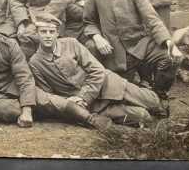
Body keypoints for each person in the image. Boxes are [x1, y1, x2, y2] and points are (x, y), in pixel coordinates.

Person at [83, 0, 182, 116]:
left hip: (140, 45)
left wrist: (169, 43)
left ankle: (159, 94)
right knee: (122, 92)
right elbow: (88, 22)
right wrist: (97, 36)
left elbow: (151, 17)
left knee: (171, 58)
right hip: (114, 51)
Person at [30, 12, 164, 128]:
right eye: (43, 31)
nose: (48, 36)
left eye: (51, 31)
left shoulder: (71, 43)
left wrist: (83, 97)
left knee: (153, 102)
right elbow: (50, 95)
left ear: (57, 33)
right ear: (37, 33)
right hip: (92, 106)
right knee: (143, 116)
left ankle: (156, 103)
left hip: (107, 84)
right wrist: (72, 102)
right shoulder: (35, 62)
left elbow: (97, 70)